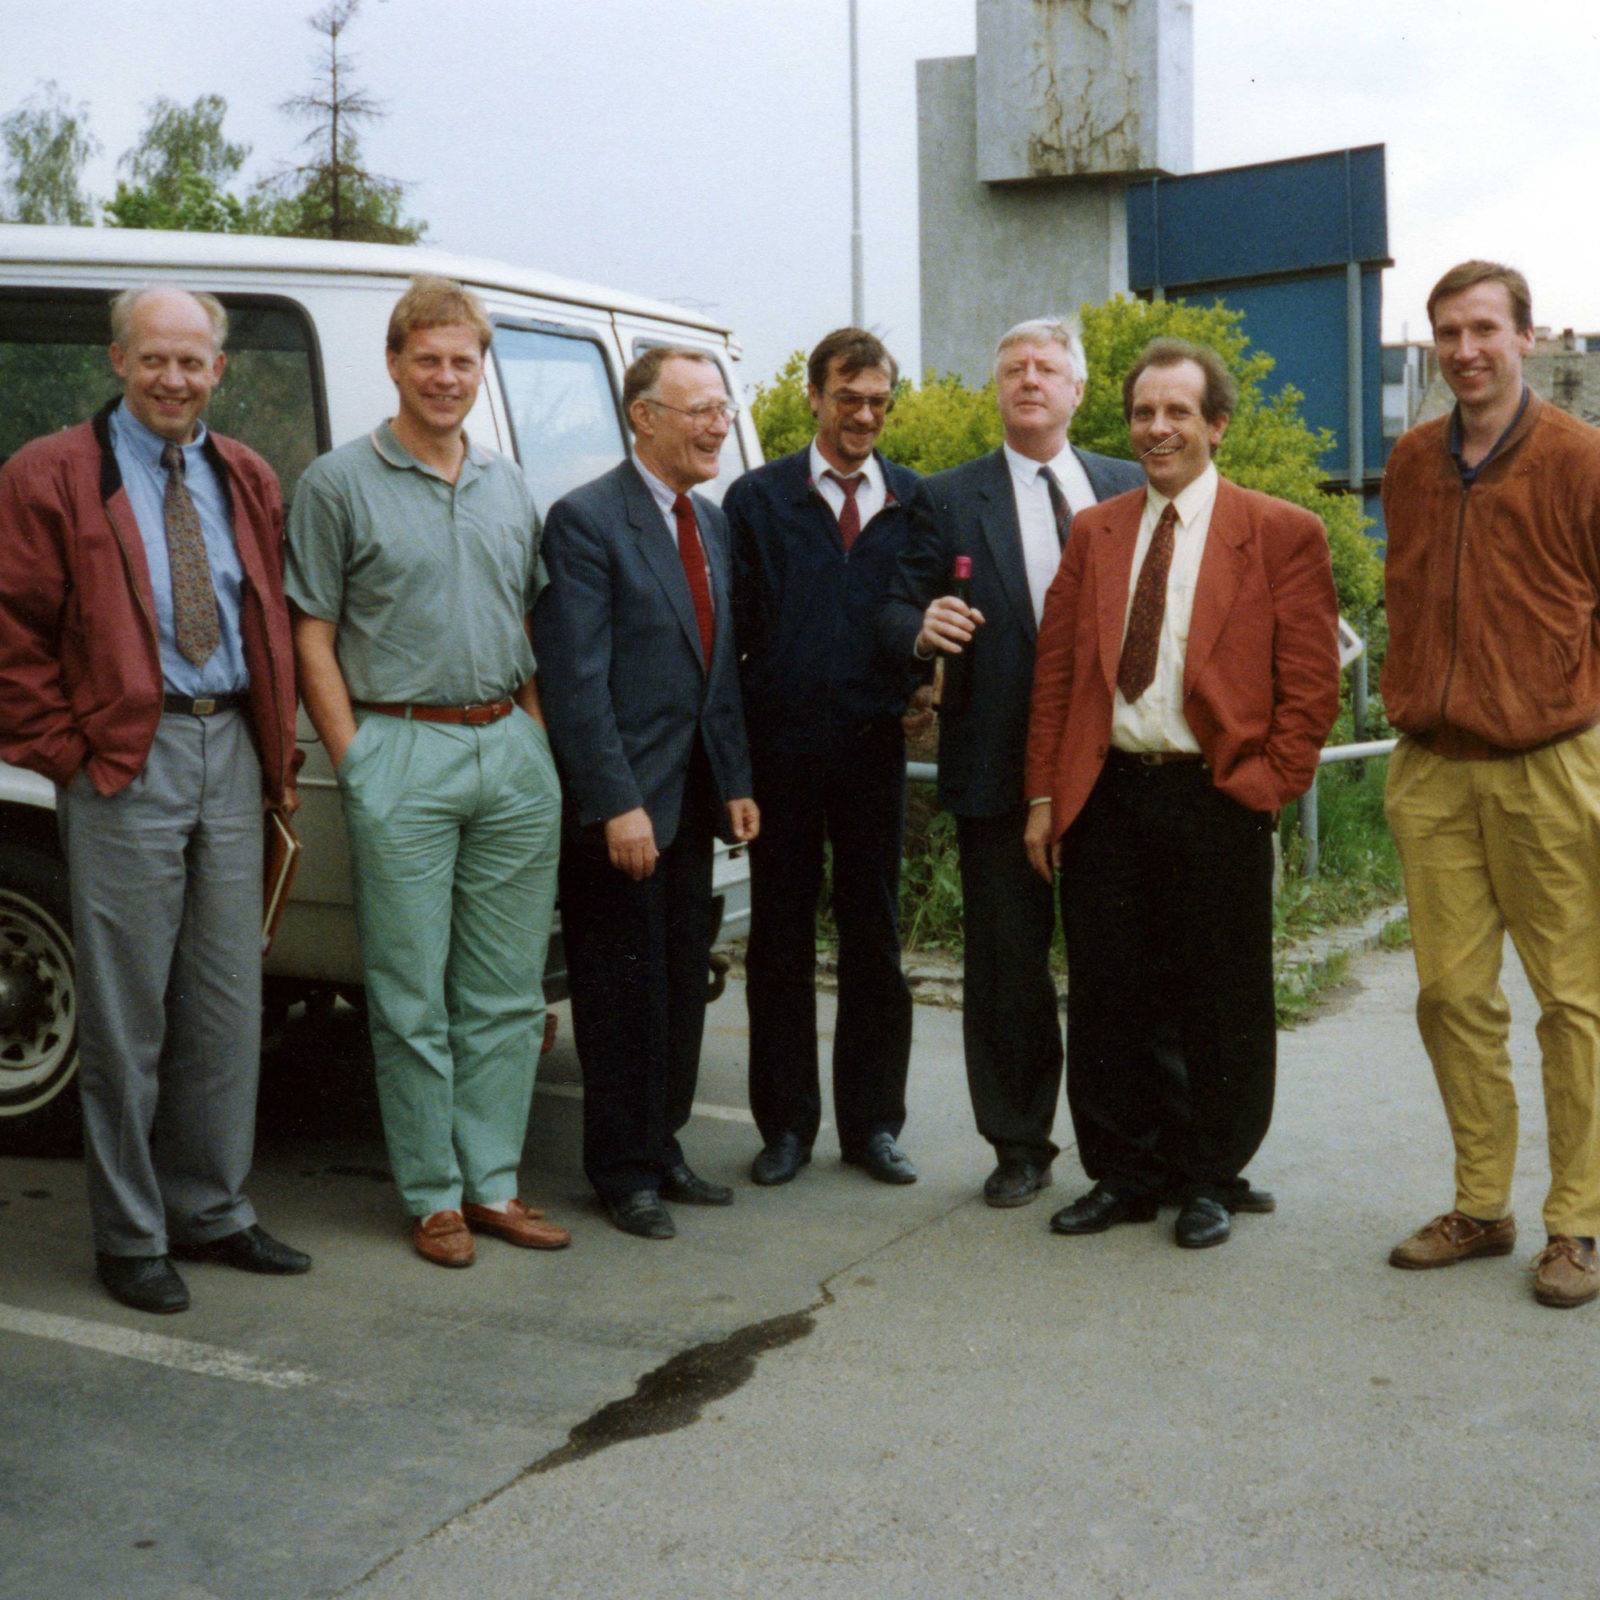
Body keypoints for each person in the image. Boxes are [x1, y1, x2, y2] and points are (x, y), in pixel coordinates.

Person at [0, 285, 309, 1314]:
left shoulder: (247, 475)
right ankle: (130, 1234)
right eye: (155, 359)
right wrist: (69, 754)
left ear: (220, 370)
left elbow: (264, 616)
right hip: (127, 757)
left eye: (194, 361)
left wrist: (276, 757)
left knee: (225, 1001)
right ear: (117, 361)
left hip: (233, 748)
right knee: (127, 1011)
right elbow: (12, 632)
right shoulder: (49, 474)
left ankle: (213, 1209)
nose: (175, 378)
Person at [1023, 337, 1340, 1249]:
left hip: (1216, 795)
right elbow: (1058, 680)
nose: (1157, 430)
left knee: (1220, 997)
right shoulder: (1097, 530)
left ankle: (1211, 1174)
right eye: (1143, 414)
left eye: (1177, 413)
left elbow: (1309, 684)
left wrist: (1267, 787)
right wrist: (1045, 799)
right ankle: (1123, 1175)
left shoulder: (1280, 532)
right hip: (1109, 795)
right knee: (1109, 994)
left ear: (1216, 424)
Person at [287, 276, 569, 1269]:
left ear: (479, 370)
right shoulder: (338, 483)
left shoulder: (507, 484)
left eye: (463, 360)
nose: (447, 377)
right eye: (429, 359)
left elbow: (529, 622)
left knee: (501, 991)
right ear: (396, 362)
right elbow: (311, 633)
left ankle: (492, 1182)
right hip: (397, 746)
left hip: (510, 747)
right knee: (409, 990)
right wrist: (356, 758)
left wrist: (534, 736)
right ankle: (432, 1193)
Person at [880, 318, 1143, 1207]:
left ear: (1076, 389)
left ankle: (1131, 1146)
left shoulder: (1128, 484)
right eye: (1013, 368)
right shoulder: (946, 498)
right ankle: (1019, 1144)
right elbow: (890, 604)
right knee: (1006, 967)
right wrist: (918, 629)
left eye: (1047, 368)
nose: (1029, 379)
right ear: (996, 389)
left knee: (1120, 963)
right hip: (995, 765)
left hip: (1115, 768)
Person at [1382, 261, 1600, 1309]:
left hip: (1548, 765)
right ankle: (1482, 1203)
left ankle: (1579, 1222)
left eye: (1482, 329)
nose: (1463, 349)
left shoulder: (1579, 458)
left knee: (1571, 1000)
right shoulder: (1411, 460)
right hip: (1433, 767)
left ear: (1527, 337)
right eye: (1445, 332)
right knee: (1451, 996)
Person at [534, 348, 759, 1240]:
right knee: (620, 992)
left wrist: (736, 781)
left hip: (692, 805)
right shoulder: (586, 522)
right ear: (644, 417)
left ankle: (662, 1148)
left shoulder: (711, 522)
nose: (718, 425)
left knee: (674, 986)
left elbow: (719, 674)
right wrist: (615, 802)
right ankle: (620, 1170)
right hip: (622, 809)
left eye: (723, 408)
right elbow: (576, 682)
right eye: (699, 409)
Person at [727, 328, 922, 1189]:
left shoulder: (913, 500)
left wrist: (931, 678)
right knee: (779, 940)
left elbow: (932, 607)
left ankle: (874, 1126)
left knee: (875, 939)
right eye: (850, 399)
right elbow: (728, 644)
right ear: (815, 397)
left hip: (875, 751)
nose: (866, 416)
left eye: (879, 401)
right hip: (782, 754)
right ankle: (786, 1128)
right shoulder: (758, 500)